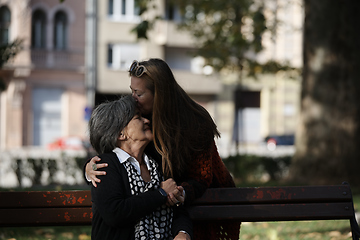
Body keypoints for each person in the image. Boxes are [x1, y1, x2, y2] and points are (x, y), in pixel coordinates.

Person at [85, 58, 241, 240]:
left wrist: (179, 194)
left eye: (139, 93)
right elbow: (115, 155)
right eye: (132, 91)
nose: (133, 98)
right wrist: (90, 169)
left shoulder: (194, 122)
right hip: (160, 202)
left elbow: (201, 177)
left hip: (196, 201)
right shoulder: (139, 120)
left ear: (159, 94)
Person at [88, 95, 192, 240]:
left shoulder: (156, 164)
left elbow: (178, 210)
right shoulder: (106, 165)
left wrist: (183, 233)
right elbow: (115, 213)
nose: (147, 120)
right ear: (121, 134)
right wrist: (160, 194)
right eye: (138, 117)